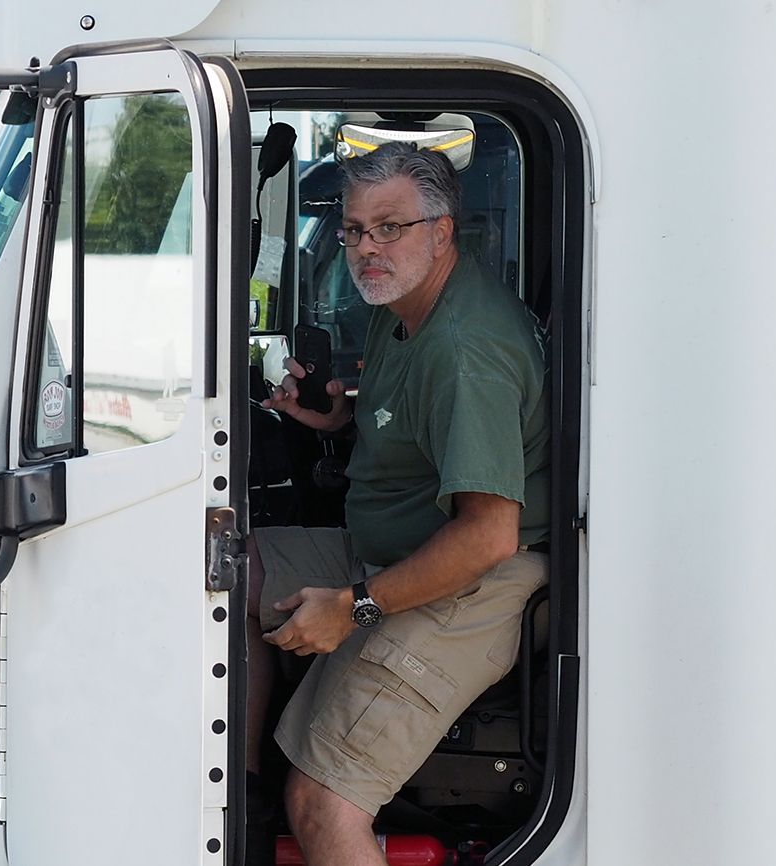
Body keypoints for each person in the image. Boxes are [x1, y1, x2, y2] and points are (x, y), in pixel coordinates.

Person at [245, 141, 551, 866]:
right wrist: (339, 417)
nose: (365, 248)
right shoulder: (403, 300)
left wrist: (352, 607)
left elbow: (488, 537)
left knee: (322, 805)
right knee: (234, 565)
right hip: (395, 543)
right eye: (354, 229)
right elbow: (416, 427)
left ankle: (286, 805)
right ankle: (242, 808)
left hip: (470, 580)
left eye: (390, 227)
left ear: (443, 231)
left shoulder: (468, 352)